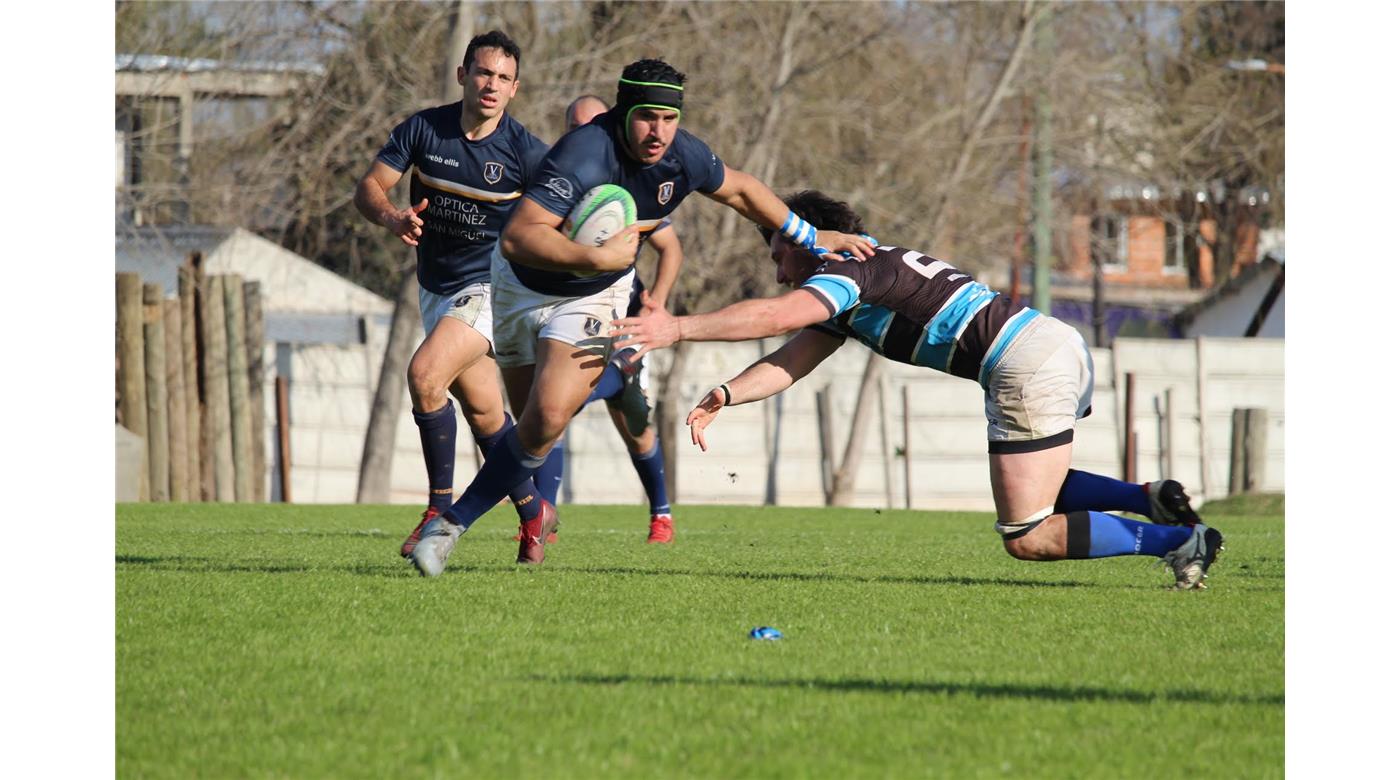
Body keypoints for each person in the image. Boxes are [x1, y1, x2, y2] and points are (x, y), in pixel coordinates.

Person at [611, 190, 1224, 590]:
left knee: (1027, 535)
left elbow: (777, 316)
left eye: (780, 254)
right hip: (1049, 341)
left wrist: (677, 328)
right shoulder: (854, 280)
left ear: (809, 239)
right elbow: (794, 357)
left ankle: (1177, 541)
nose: (777, 269)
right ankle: (1151, 500)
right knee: (1036, 484)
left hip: (1022, 362)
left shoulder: (845, 270)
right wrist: (727, 393)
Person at [408, 59, 875, 576]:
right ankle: (536, 511)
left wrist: (811, 236)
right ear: (624, 111)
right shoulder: (584, 153)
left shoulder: (684, 156)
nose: (660, 132)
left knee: (548, 416)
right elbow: (519, 236)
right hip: (520, 286)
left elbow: (741, 190)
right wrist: (595, 257)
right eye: (648, 117)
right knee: (531, 432)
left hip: (595, 297)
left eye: (670, 118)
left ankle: (448, 527)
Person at [353, 30, 553, 560]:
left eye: (503, 78)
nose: (492, 84)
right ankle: (534, 512)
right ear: (463, 75)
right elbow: (369, 187)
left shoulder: (526, 153)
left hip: (492, 288)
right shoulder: (424, 128)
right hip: (436, 289)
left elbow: (561, 218)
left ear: (515, 89)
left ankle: (437, 510)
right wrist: (391, 215)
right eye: (484, 72)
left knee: (424, 375)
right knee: (486, 414)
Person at [525, 94, 681, 544]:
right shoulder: (552, 181)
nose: (589, 135)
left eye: (596, 125)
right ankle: (542, 522)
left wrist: (658, 304)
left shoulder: (625, 186)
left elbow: (670, 247)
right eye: (579, 127)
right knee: (552, 411)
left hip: (624, 323)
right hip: (567, 316)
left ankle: (662, 515)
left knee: (634, 427)